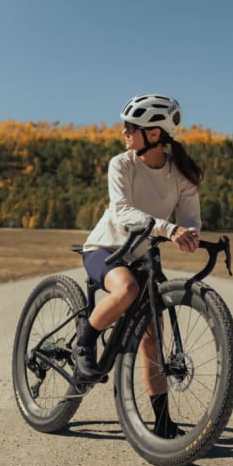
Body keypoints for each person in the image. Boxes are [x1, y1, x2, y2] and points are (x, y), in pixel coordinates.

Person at [76, 93, 203, 438]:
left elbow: (191, 218)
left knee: (153, 339)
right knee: (127, 289)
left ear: (153, 134)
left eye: (130, 127)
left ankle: (162, 422)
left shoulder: (183, 176)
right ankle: (85, 342)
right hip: (107, 248)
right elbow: (123, 212)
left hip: (142, 255)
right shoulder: (122, 164)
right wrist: (168, 229)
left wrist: (190, 235)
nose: (123, 133)